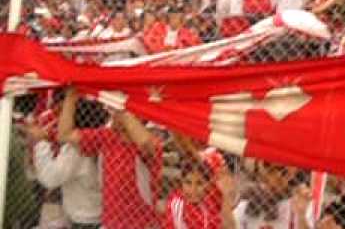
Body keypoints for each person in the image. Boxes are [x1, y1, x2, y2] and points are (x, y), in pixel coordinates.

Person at [58, 88, 163, 229]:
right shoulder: (107, 136)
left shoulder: (150, 141)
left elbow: (145, 143)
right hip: (111, 223)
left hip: (142, 224)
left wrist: (122, 109)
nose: (112, 116)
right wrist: (70, 98)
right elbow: (64, 135)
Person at [24, 97, 108, 229]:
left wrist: (41, 142)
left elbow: (49, 178)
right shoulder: (97, 138)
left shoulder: (77, 151)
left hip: (86, 220)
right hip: (89, 214)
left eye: (64, 114)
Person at [233, 161, 313, 228]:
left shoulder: (299, 203)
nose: (276, 176)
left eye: (282, 171)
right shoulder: (248, 199)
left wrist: (301, 215)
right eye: (267, 166)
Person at [165, 161, 236, 228]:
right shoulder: (177, 203)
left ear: (208, 184)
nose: (193, 190)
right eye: (188, 182)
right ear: (181, 183)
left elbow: (231, 226)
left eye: (199, 183)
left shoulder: (211, 198)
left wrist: (225, 195)